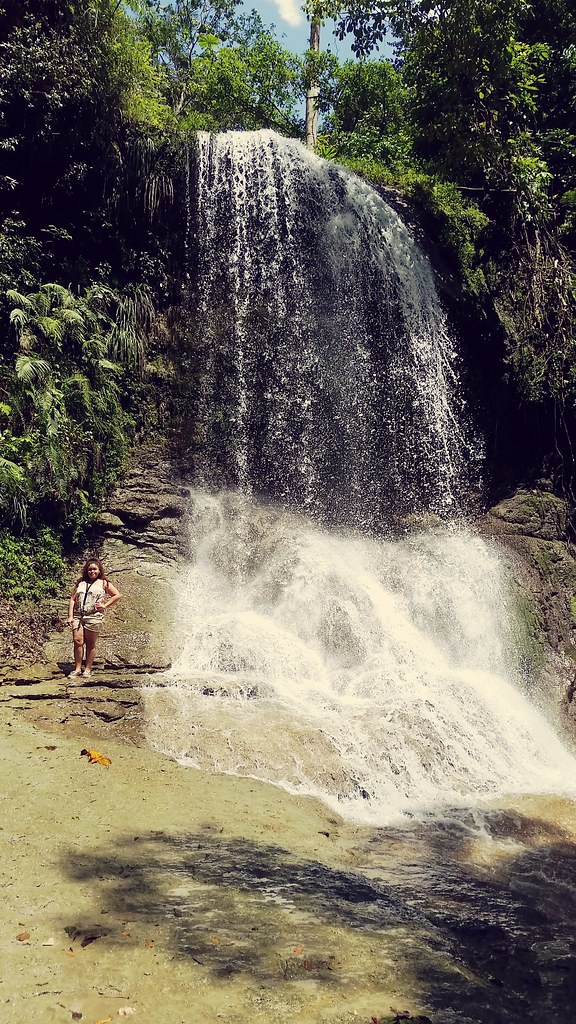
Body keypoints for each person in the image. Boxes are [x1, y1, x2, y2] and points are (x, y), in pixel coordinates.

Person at [66, 558, 121, 678]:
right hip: (78, 616)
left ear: (99, 570)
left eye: (95, 569)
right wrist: (70, 616)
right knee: (78, 641)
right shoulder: (80, 582)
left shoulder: (104, 583)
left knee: (91, 643)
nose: (92, 572)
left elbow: (117, 595)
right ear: (86, 570)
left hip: (94, 616)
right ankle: (77, 669)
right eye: (90, 569)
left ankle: (88, 669)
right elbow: (72, 599)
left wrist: (104, 605)